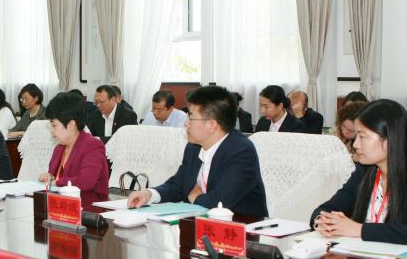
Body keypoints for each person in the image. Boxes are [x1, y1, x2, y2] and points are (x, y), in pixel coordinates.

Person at [311, 99, 407, 246]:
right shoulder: (364, 171)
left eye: (363, 137)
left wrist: (360, 230)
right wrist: (323, 222)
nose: (356, 144)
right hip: (360, 255)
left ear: (390, 139)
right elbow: (325, 209)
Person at [128, 86, 268, 216]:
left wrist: (194, 197)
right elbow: (179, 184)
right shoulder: (194, 147)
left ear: (211, 125)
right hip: (202, 223)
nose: (186, 123)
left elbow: (221, 202)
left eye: (190, 117)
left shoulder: (241, 151)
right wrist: (149, 194)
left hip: (242, 228)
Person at [39, 92, 109, 197]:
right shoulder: (59, 148)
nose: (52, 131)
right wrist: (49, 177)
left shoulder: (93, 146)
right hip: (62, 202)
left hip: (89, 203)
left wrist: (55, 182)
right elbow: (57, 177)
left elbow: (86, 182)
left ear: (71, 124)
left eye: (54, 125)